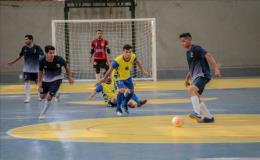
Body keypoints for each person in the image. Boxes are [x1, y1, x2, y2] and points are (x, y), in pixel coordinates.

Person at [179, 32, 221, 123]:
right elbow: (192, 67)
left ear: (190, 40)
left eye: (184, 41)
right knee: (196, 97)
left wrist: (216, 68)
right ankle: (209, 117)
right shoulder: (188, 53)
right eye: (181, 42)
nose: (182, 43)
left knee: (191, 90)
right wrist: (187, 79)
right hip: (196, 77)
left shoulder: (196, 48)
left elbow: (208, 55)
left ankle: (197, 114)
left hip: (202, 75)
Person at [99, 44, 147, 116]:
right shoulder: (117, 61)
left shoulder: (133, 56)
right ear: (123, 52)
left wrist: (142, 70)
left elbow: (137, 62)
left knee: (131, 92)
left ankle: (125, 104)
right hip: (118, 77)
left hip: (127, 76)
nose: (128, 54)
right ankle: (118, 108)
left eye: (130, 52)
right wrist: (104, 78)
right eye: (126, 52)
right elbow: (109, 70)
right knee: (122, 90)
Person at [38, 45, 74, 120]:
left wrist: (69, 77)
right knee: (42, 96)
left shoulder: (59, 59)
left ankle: (43, 113)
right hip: (46, 79)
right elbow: (40, 71)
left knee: (49, 97)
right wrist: (39, 82)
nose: (52, 55)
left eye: (53, 53)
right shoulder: (42, 60)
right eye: (50, 53)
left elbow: (67, 68)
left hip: (57, 78)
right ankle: (56, 93)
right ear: (46, 53)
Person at [7, 35, 44, 103]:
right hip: (27, 69)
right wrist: (12, 62)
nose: (25, 40)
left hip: (36, 69)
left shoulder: (37, 47)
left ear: (31, 40)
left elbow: (42, 56)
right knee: (27, 83)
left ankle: (40, 96)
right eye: (25, 39)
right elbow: (19, 56)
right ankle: (28, 98)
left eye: (26, 39)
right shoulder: (24, 48)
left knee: (38, 83)